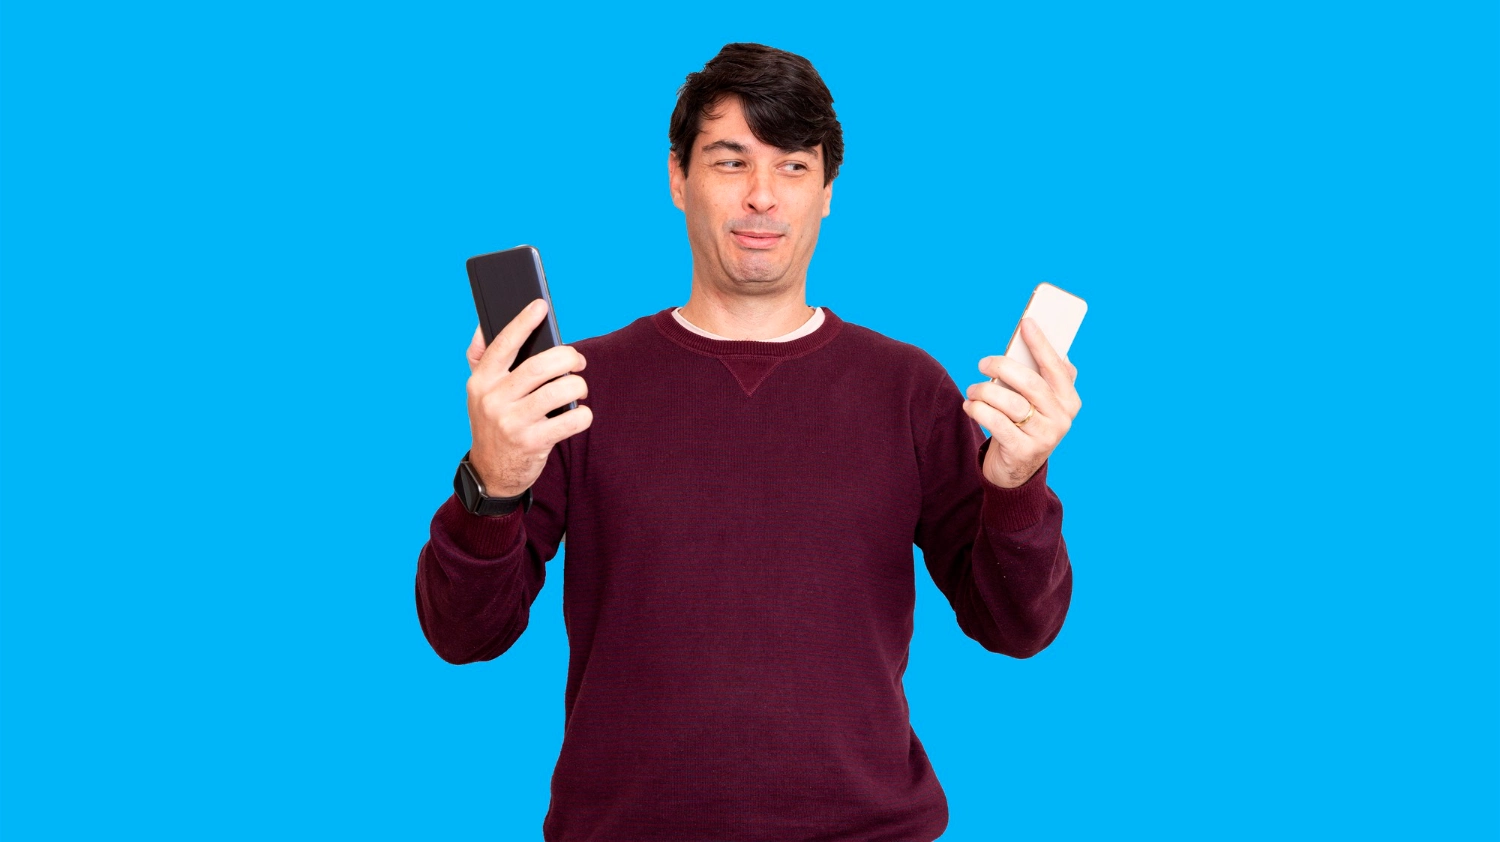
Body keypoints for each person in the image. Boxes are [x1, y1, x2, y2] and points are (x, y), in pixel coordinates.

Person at [415, 42, 1081, 842]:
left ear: (828, 190)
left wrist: (1016, 484)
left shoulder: (909, 390)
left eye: (793, 166)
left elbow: (1017, 627)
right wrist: (492, 479)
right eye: (731, 162)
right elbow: (463, 634)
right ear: (677, 179)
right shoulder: (572, 389)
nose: (762, 196)